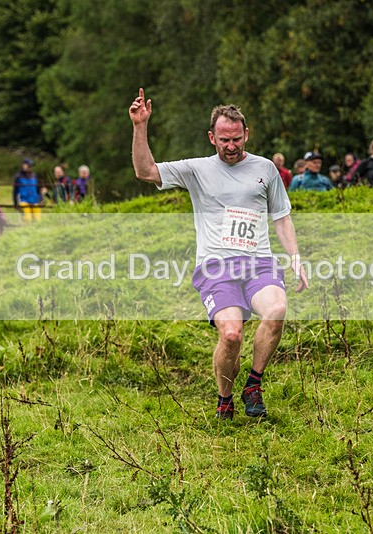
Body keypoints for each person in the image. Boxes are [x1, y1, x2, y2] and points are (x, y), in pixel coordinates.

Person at [129, 87, 309, 420]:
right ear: (212, 138)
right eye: (224, 140)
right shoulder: (197, 169)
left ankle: (253, 384)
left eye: (237, 139)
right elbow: (146, 171)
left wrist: (295, 257)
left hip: (259, 262)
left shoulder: (266, 169)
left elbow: (281, 217)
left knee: (277, 310)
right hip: (217, 266)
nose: (231, 146)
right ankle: (224, 398)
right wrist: (141, 126)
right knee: (231, 335)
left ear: (246, 134)